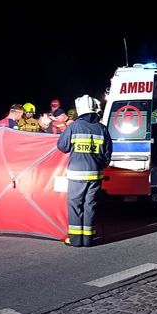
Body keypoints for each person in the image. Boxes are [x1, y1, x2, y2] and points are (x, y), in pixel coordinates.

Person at [57, 94, 112, 247]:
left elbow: (62, 147)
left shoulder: (74, 126)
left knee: (75, 205)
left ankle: (75, 240)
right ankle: (88, 239)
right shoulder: (102, 129)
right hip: (95, 175)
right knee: (90, 205)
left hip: (76, 174)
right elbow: (107, 155)